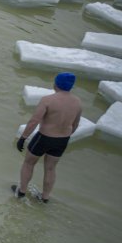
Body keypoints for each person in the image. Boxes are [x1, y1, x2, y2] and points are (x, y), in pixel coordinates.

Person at [15, 72, 82, 202]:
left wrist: (23, 138)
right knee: (51, 168)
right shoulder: (77, 102)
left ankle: (22, 192)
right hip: (62, 140)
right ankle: (45, 198)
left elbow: (34, 121)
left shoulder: (48, 100)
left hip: (44, 137)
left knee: (29, 163)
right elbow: (75, 124)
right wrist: (63, 136)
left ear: (56, 84)